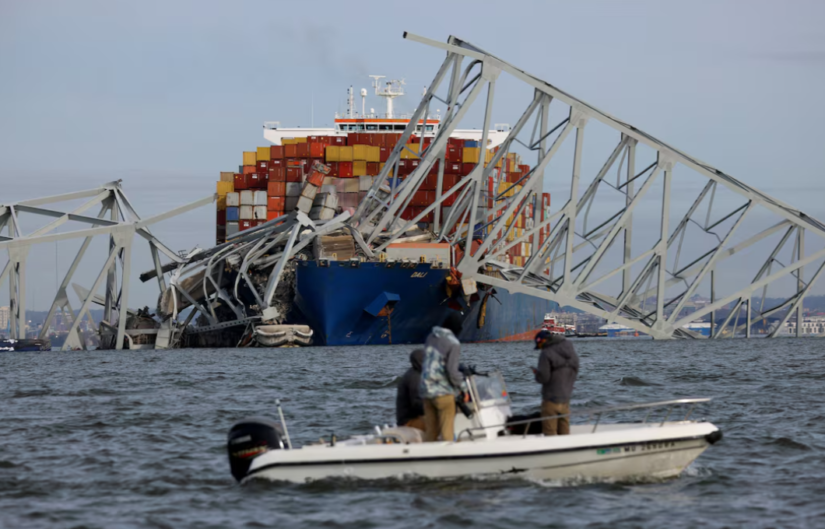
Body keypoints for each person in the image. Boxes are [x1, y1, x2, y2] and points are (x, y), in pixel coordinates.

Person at [419, 313, 465, 442]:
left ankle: (426, 459)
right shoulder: (454, 343)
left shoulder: (430, 337)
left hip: (425, 391)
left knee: (431, 432)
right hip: (442, 392)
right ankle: (449, 459)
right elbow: (452, 371)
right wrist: (464, 387)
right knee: (447, 432)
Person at [532, 330, 579, 436]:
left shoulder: (546, 353)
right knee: (564, 431)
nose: (540, 348)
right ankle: (567, 451)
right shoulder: (570, 350)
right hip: (566, 398)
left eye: (539, 345)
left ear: (543, 341)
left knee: (550, 432)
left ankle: (553, 452)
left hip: (551, 399)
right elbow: (575, 370)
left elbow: (544, 378)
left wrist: (537, 374)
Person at [396, 349, 426, 430]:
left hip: (411, 418)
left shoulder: (415, 374)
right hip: (409, 421)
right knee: (440, 422)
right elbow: (416, 403)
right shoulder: (415, 377)